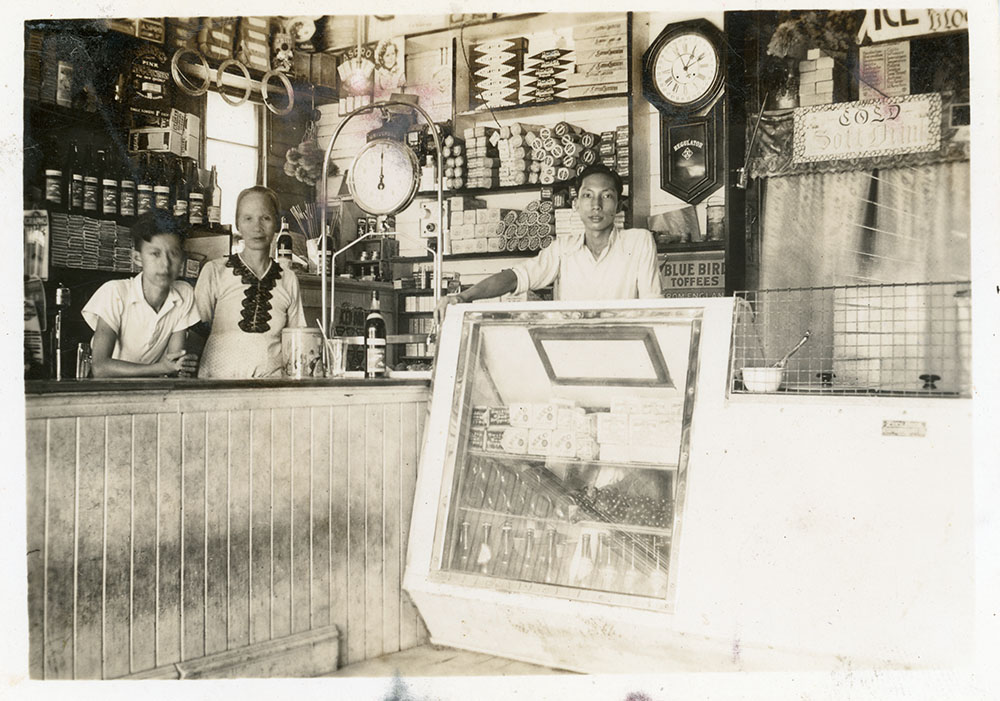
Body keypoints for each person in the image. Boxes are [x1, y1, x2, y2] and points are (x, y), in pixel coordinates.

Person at [436, 163, 661, 321]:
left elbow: (654, 307)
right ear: (575, 204)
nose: (596, 205)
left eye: (607, 196)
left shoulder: (639, 242)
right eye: (588, 195)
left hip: (624, 350)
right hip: (571, 351)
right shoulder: (563, 248)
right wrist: (463, 296)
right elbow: (516, 276)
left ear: (619, 205)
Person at [193, 186, 305, 378]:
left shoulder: (288, 279)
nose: (257, 227)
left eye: (266, 218)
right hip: (217, 386)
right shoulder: (214, 271)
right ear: (238, 223)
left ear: (277, 224)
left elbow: (296, 341)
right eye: (248, 218)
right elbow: (195, 333)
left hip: (271, 389)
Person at [82, 209, 200, 377]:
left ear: (182, 259)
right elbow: (100, 367)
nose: (165, 264)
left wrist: (182, 366)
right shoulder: (115, 292)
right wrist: (161, 368)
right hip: (106, 389)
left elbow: (174, 363)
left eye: (173, 254)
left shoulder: (184, 294)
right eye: (155, 254)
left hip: (148, 389)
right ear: (137, 258)